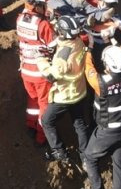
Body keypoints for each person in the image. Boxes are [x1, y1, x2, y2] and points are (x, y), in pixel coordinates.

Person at [81, 44, 121, 189]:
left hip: (107, 132)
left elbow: (88, 69)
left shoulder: (101, 82)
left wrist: (89, 49)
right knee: (118, 165)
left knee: (90, 157)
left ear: (107, 64)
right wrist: (117, 44)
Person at [38, 15, 91, 165]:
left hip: (65, 96)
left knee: (47, 121)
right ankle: (85, 156)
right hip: (80, 92)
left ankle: (59, 152)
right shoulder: (78, 42)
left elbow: (51, 76)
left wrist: (40, 59)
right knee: (79, 123)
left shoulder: (63, 54)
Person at [16, 0, 57, 145]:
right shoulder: (43, 24)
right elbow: (53, 46)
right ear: (39, 6)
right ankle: (42, 135)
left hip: (25, 69)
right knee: (44, 104)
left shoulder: (20, 18)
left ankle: (31, 124)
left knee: (32, 100)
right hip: (41, 73)